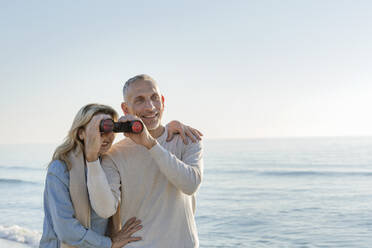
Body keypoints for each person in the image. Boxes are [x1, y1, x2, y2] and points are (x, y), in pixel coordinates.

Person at [39, 103, 202, 248]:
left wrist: (164, 130)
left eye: (110, 128)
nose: (106, 136)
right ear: (81, 133)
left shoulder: (108, 162)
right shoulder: (60, 168)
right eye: (99, 129)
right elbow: (65, 229)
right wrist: (108, 243)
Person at [87, 74, 204, 247]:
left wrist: (150, 144)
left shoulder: (188, 139)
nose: (150, 107)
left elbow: (190, 184)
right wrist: (91, 160)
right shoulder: (114, 154)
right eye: (140, 100)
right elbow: (105, 209)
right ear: (126, 109)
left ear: (163, 101)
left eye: (154, 98)